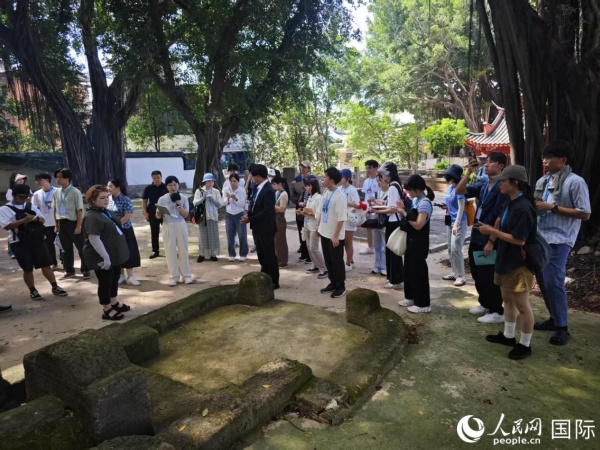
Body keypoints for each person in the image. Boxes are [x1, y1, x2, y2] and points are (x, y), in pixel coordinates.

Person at [476, 165, 538, 360]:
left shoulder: (524, 207)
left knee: (522, 304)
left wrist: (492, 232)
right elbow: (501, 224)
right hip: (505, 258)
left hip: (518, 263)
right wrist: (492, 236)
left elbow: (520, 240)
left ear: (515, 182)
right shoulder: (511, 202)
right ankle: (508, 335)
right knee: (507, 298)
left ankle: (525, 344)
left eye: (503, 181)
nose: (500, 184)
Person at [533, 141, 591, 346]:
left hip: (561, 239)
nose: (545, 161)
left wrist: (553, 207)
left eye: (549, 158)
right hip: (540, 237)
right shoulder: (543, 181)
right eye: (544, 157)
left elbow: (585, 213)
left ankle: (562, 328)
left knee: (553, 282)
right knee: (542, 281)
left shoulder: (575, 182)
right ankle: (554, 318)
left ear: (563, 160)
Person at [455, 152, 508, 324]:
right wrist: (468, 173)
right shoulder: (484, 185)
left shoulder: (502, 187)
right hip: (477, 234)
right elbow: (459, 190)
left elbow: (500, 216)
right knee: (477, 272)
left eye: (490, 162)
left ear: (500, 166)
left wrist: (492, 241)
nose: (486, 165)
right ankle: (484, 303)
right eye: (486, 162)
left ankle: (497, 309)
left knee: (488, 274)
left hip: (489, 236)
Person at [0, 184, 68, 300]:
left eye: (26, 197)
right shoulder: (4, 209)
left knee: (45, 264)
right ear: (14, 196)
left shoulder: (30, 206)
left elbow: (42, 219)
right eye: (21, 197)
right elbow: (6, 226)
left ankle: (55, 286)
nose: (24, 199)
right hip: (19, 242)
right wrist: (24, 220)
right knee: (27, 268)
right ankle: (33, 290)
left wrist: (35, 218)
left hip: (37, 239)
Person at [82, 185, 130, 320]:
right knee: (105, 282)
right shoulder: (91, 217)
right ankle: (107, 309)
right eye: (102, 198)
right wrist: (105, 257)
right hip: (102, 256)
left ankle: (114, 302)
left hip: (113, 254)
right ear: (93, 200)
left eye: (107, 197)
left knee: (114, 279)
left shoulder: (105, 211)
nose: (106, 200)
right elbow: (94, 238)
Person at [395, 175, 435, 313]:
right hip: (411, 240)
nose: (408, 193)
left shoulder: (425, 203)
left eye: (410, 190)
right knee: (409, 270)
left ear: (417, 190)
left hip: (419, 242)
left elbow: (418, 225)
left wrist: (404, 213)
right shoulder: (415, 200)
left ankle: (423, 304)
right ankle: (411, 297)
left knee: (419, 273)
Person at [241, 165, 279, 288]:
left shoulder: (268, 190)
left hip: (266, 227)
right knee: (261, 254)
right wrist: (248, 214)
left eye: (252, 176)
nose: (251, 178)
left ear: (258, 176)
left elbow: (267, 212)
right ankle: (265, 276)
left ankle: (274, 280)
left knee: (269, 254)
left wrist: (250, 219)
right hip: (257, 227)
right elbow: (254, 205)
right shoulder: (257, 188)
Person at [156, 176, 194, 286]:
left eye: (175, 184)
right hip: (167, 225)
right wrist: (159, 212)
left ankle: (186, 275)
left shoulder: (183, 198)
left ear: (178, 185)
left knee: (183, 250)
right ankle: (174, 276)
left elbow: (186, 215)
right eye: (170, 185)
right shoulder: (162, 199)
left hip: (180, 224)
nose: (173, 187)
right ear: (166, 186)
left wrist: (179, 204)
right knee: (170, 251)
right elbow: (158, 216)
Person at [53, 168, 90, 279]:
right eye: (57, 177)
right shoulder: (56, 192)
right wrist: (56, 225)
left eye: (60, 177)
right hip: (62, 223)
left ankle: (86, 269)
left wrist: (78, 226)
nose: (58, 179)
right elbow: (55, 209)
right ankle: (69, 270)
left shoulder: (75, 192)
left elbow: (79, 210)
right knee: (66, 248)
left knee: (81, 247)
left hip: (73, 222)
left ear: (67, 178)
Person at [317, 167, 347, 298]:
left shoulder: (340, 196)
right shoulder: (326, 192)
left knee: (337, 262)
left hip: (334, 236)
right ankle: (333, 283)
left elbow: (341, 218)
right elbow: (322, 210)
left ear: (331, 180)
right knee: (328, 261)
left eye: (325, 177)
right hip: (324, 232)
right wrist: (319, 226)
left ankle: (340, 286)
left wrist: (335, 236)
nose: (322, 179)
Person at [375, 162, 405, 289]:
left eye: (383, 175)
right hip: (396, 221)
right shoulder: (396, 185)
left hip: (393, 222)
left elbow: (392, 209)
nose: (382, 178)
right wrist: (383, 205)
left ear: (388, 174)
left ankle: (395, 280)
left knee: (392, 252)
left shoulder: (392, 187)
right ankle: (395, 279)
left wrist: (378, 211)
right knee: (393, 252)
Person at [107, 179, 142, 286]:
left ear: (118, 188)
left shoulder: (125, 199)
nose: (108, 188)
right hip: (112, 230)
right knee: (117, 252)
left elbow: (127, 216)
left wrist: (117, 225)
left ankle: (130, 276)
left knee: (128, 251)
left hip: (124, 230)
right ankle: (120, 275)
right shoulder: (108, 199)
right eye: (108, 186)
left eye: (110, 186)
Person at [442, 164, 468, 287]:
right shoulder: (450, 188)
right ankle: (455, 272)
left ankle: (461, 276)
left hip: (458, 222)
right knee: (450, 248)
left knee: (456, 248)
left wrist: (456, 224)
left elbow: (461, 208)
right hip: (450, 221)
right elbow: (452, 204)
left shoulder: (459, 189)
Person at [300, 177, 327, 278]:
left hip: (314, 225)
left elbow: (319, 214)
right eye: (306, 186)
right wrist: (303, 212)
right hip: (307, 224)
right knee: (308, 246)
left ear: (314, 186)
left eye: (308, 186)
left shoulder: (319, 198)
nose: (306, 188)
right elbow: (308, 210)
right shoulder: (310, 197)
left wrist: (310, 214)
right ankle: (315, 265)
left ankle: (324, 269)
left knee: (313, 247)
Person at [193, 173, 223, 262]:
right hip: (203, 217)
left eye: (212, 181)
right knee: (203, 236)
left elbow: (219, 204)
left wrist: (212, 199)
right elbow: (195, 203)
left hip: (213, 217)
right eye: (208, 181)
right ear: (205, 182)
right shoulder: (199, 191)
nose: (210, 183)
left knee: (213, 236)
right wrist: (203, 197)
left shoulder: (216, 191)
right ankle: (202, 254)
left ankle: (213, 254)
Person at [32, 173, 59, 269]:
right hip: (45, 223)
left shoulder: (57, 191)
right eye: (37, 180)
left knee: (62, 243)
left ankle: (65, 261)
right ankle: (53, 262)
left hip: (57, 222)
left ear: (47, 180)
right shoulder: (36, 194)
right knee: (49, 243)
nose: (37, 182)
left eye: (40, 180)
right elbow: (34, 209)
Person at [142, 170, 169, 259]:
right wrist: (145, 212)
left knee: (167, 232)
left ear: (161, 177)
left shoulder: (166, 187)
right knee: (154, 232)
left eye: (158, 177)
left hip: (165, 213)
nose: (156, 179)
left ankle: (169, 250)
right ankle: (155, 251)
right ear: (152, 178)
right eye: (154, 178)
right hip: (152, 213)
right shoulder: (148, 188)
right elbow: (144, 201)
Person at [222, 173, 248, 261]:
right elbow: (223, 203)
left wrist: (235, 199)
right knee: (230, 234)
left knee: (242, 234)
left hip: (239, 214)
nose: (233, 183)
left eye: (235, 181)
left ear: (238, 181)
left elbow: (242, 204)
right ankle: (231, 254)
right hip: (229, 214)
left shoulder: (242, 191)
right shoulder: (226, 189)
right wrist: (228, 199)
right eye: (231, 181)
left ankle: (243, 254)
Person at [340, 169, 361, 271]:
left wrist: (346, 202)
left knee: (348, 242)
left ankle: (348, 263)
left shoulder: (352, 189)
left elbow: (358, 204)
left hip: (349, 218)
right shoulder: (339, 188)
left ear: (347, 178)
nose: (340, 178)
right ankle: (350, 260)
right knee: (342, 242)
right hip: (341, 218)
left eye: (342, 177)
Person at [292, 161, 312, 263]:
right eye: (301, 167)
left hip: (309, 208)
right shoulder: (297, 179)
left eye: (305, 167)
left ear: (309, 169)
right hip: (299, 207)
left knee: (308, 231)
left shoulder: (312, 178)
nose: (303, 169)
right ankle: (303, 251)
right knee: (301, 230)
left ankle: (309, 254)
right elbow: (293, 195)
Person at [5, 173, 28, 259]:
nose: (21, 181)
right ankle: (11, 251)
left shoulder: (27, 189)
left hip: (24, 212)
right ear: (14, 181)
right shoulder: (10, 191)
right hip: (14, 213)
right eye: (19, 179)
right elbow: (12, 202)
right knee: (12, 232)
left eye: (22, 179)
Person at [360, 160, 380, 255]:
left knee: (377, 228)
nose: (368, 170)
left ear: (376, 168)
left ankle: (378, 247)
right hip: (367, 207)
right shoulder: (366, 181)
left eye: (370, 167)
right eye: (367, 168)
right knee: (368, 227)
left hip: (377, 207)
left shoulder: (379, 180)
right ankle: (370, 247)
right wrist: (364, 207)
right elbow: (365, 195)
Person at [369, 175, 388, 276]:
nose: (379, 183)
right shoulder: (377, 193)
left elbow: (390, 206)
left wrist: (382, 204)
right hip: (376, 220)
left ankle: (384, 266)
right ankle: (377, 265)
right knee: (376, 245)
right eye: (378, 181)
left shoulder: (390, 193)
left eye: (381, 181)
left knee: (384, 246)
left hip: (385, 221)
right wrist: (372, 205)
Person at [271, 175, 289, 268]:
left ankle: (283, 261)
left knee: (280, 240)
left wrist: (271, 205)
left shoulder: (284, 194)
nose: (272, 186)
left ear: (278, 184)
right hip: (275, 218)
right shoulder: (277, 193)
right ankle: (278, 259)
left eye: (273, 184)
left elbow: (282, 209)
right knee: (276, 240)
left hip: (280, 219)